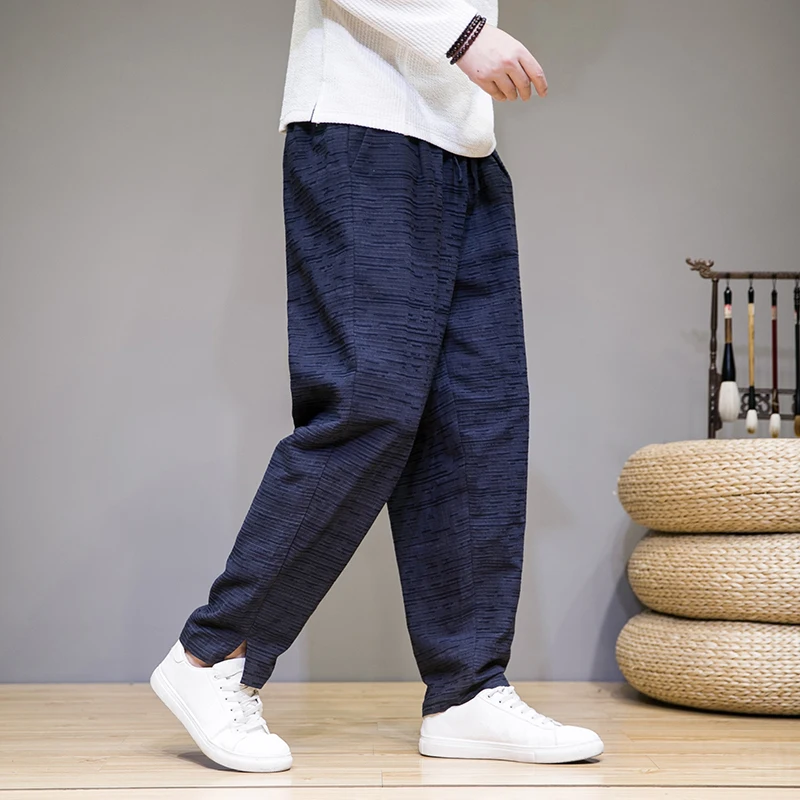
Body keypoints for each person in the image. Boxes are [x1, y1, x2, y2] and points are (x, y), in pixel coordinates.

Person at [150, 0, 604, 773]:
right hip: (361, 128)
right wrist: (463, 35)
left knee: (477, 419)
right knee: (370, 403)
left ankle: (466, 690)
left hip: (465, 141)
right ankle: (215, 653)